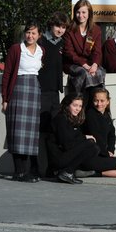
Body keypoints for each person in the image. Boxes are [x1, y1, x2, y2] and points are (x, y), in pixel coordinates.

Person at [1, 20, 44, 183]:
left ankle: (27, 171)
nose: (30, 36)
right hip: (18, 90)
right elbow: (7, 74)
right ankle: (19, 172)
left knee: (30, 134)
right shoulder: (16, 49)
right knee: (17, 132)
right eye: (28, 32)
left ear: (39, 35)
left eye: (34, 33)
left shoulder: (41, 51)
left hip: (34, 91)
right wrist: (5, 98)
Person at [38, 12, 70, 177]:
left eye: (63, 27)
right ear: (51, 25)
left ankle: (51, 168)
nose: (60, 30)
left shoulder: (62, 43)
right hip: (41, 90)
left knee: (53, 130)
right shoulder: (40, 41)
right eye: (58, 26)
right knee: (40, 130)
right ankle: (37, 168)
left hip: (55, 92)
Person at [82, 88, 116, 177]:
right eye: (96, 101)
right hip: (92, 157)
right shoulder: (90, 114)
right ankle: (93, 173)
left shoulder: (106, 114)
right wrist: (107, 154)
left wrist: (111, 150)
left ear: (108, 101)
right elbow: (96, 137)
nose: (99, 104)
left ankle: (94, 172)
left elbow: (112, 135)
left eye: (102, 101)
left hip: (103, 154)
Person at [51, 93, 101, 184]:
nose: (77, 109)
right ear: (67, 105)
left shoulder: (73, 119)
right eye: (74, 105)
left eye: (80, 106)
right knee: (90, 143)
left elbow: (74, 140)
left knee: (94, 147)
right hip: (59, 158)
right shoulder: (61, 119)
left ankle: (68, 172)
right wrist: (84, 138)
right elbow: (66, 144)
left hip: (67, 154)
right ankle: (66, 172)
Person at [63, 0, 105, 94]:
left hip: (90, 64)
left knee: (99, 72)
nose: (80, 15)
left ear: (89, 13)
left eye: (83, 12)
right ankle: (79, 98)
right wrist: (84, 65)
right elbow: (69, 52)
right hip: (72, 64)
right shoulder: (69, 30)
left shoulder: (96, 30)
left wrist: (94, 65)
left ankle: (96, 99)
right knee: (83, 73)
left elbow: (97, 51)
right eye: (78, 12)